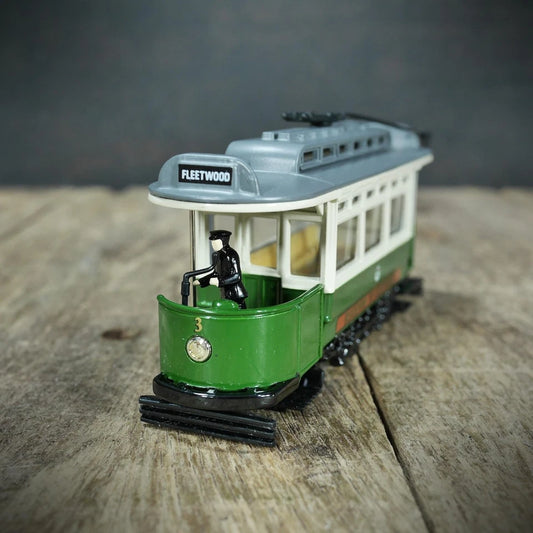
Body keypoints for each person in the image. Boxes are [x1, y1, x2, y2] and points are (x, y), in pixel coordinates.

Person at [193, 230, 248, 309]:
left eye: (215, 242)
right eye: (212, 242)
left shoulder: (232, 255)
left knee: (239, 312)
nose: (213, 244)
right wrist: (201, 281)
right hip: (225, 293)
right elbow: (215, 273)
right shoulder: (218, 255)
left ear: (224, 241)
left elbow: (237, 276)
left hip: (236, 295)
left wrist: (219, 281)